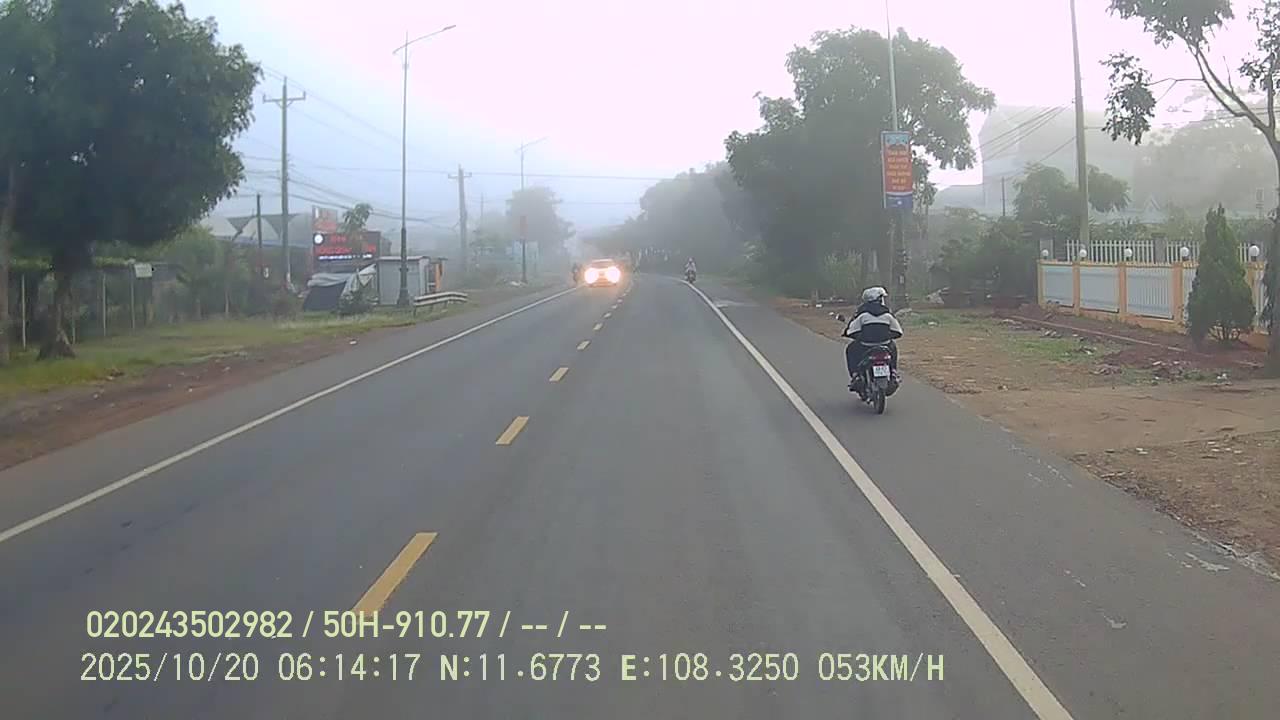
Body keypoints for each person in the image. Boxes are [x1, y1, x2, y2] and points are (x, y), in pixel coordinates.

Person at [842, 286, 903, 389]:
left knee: (850, 349)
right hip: (885, 345)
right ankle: (893, 372)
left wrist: (857, 336)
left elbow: (851, 331)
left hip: (865, 346)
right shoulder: (887, 315)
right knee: (893, 347)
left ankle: (855, 375)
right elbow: (898, 332)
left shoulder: (862, 315)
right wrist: (888, 336)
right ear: (879, 300)